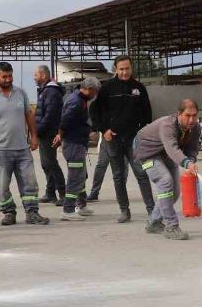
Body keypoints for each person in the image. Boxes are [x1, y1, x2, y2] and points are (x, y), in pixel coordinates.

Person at [0, 62, 49, 226]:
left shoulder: (20, 93)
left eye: (10, 76)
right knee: (1, 186)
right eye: (4, 76)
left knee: (30, 183)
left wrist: (34, 136)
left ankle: (32, 213)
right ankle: (9, 212)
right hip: (0, 151)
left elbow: (29, 115)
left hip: (22, 149)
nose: (8, 79)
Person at [90, 55, 155, 223]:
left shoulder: (139, 88)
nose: (124, 72)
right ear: (115, 69)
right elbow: (94, 111)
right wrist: (103, 130)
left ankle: (152, 210)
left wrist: (143, 133)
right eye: (121, 69)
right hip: (113, 141)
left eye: (127, 69)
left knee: (141, 174)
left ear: (132, 68)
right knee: (118, 176)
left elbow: (147, 115)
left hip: (134, 140)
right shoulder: (107, 88)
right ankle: (124, 211)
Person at [133, 99, 202, 240]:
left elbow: (192, 149)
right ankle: (171, 226)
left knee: (174, 193)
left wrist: (192, 161)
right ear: (179, 114)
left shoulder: (195, 128)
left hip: (165, 154)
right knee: (165, 182)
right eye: (188, 115)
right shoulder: (167, 125)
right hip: (146, 153)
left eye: (194, 115)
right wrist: (187, 163)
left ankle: (153, 222)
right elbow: (172, 149)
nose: (191, 119)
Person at [55, 77, 100, 221]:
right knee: (76, 177)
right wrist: (60, 136)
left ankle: (82, 205)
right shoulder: (76, 102)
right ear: (90, 90)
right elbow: (65, 121)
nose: (95, 95)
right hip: (73, 144)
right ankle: (68, 210)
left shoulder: (80, 99)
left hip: (78, 143)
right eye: (95, 92)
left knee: (81, 175)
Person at [34, 65, 66, 205]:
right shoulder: (44, 91)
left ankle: (63, 193)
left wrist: (38, 130)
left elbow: (50, 115)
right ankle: (50, 193)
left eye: (36, 75)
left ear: (43, 75)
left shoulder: (51, 92)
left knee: (51, 163)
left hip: (48, 133)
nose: (34, 78)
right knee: (45, 164)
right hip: (43, 133)